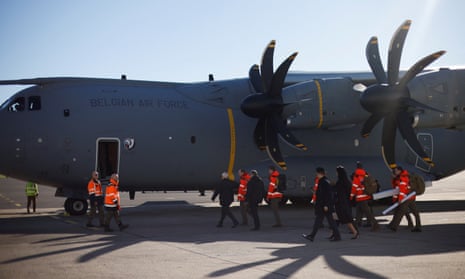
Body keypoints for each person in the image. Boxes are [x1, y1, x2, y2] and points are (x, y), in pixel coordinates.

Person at [302, 167, 341, 242]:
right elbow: (322, 193)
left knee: (329, 221)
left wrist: (326, 205)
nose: (316, 175)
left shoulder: (324, 182)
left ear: (319, 173)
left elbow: (328, 195)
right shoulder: (324, 181)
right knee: (323, 221)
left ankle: (313, 236)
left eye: (317, 173)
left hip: (324, 206)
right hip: (322, 205)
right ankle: (312, 236)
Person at [388, 166, 422, 232]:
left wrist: (400, 199)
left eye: (396, 171)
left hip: (406, 197)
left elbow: (402, 190)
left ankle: (394, 227)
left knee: (400, 211)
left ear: (399, 171)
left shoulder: (402, 178)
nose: (395, 172)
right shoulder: (402, 177)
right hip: (410, 197)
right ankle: (418, 226)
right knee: (414, 212)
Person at [350, 167, 380, 231]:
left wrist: (351, 196)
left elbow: (354, 190)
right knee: (359, 214)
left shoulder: (356, 179)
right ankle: (354, 228)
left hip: (361, 199)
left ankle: (375, 225)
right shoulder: (364, 178)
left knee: (367, 213)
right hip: (364, 198)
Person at [334, 166, 359, 239]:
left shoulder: (340, 182)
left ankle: (355, 232)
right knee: (337, 219)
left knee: (346, 219)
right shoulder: (347, 182)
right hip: (346, 203)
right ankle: (334, 234)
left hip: (341, 204)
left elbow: (337, 192)